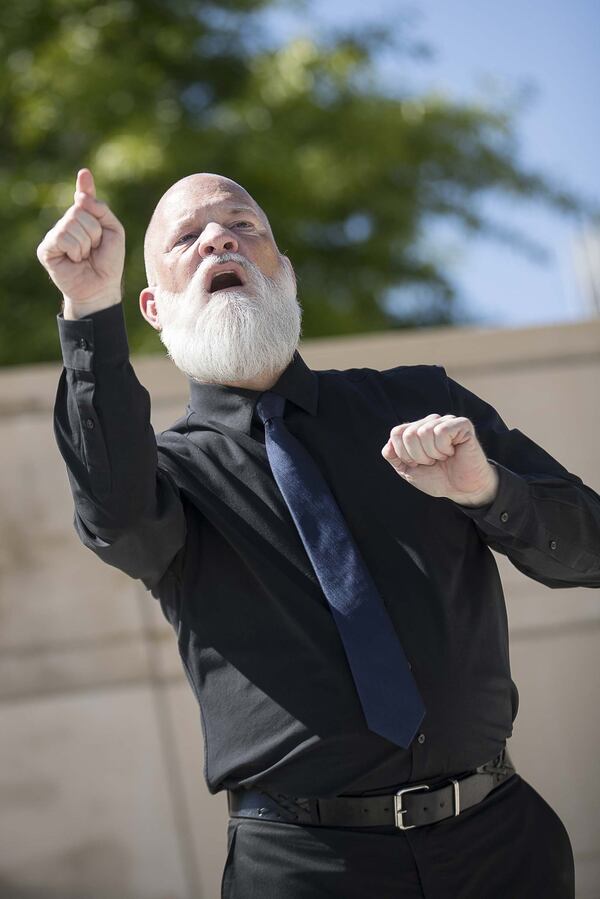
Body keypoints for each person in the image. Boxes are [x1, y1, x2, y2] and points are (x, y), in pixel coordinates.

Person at [37, 168, 599, 898]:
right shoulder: (167, 476)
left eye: (245, 226)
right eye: (188, 237)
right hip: (304, 867)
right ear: (152, 305)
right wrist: (87, 307)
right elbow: (114, 520)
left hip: (503, 845)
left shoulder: (423, 403)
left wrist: (487, 490)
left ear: (286, 273)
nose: (219, 238)